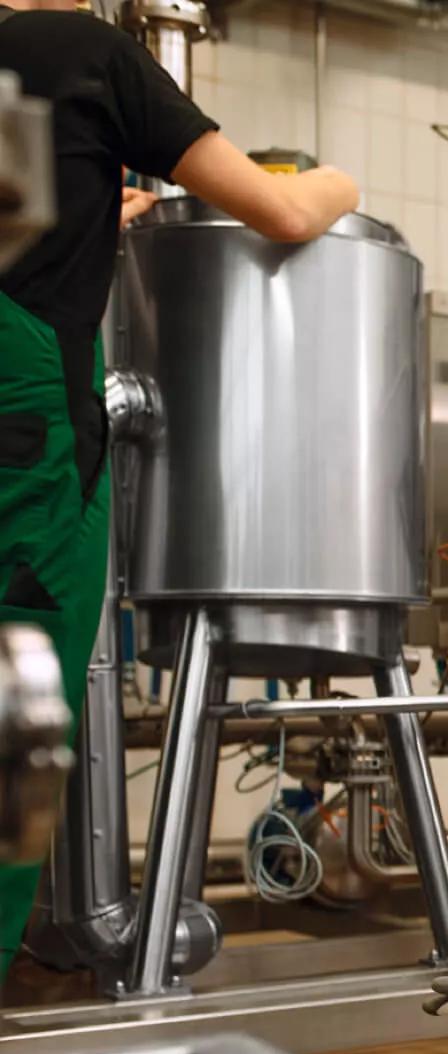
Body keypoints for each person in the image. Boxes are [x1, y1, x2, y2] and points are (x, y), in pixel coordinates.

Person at [0, 0, 360, 984]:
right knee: (11, 726)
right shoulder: (87, 51)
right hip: (19, 421)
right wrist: (338, 181)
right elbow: (281, 212)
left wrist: (86, 212)